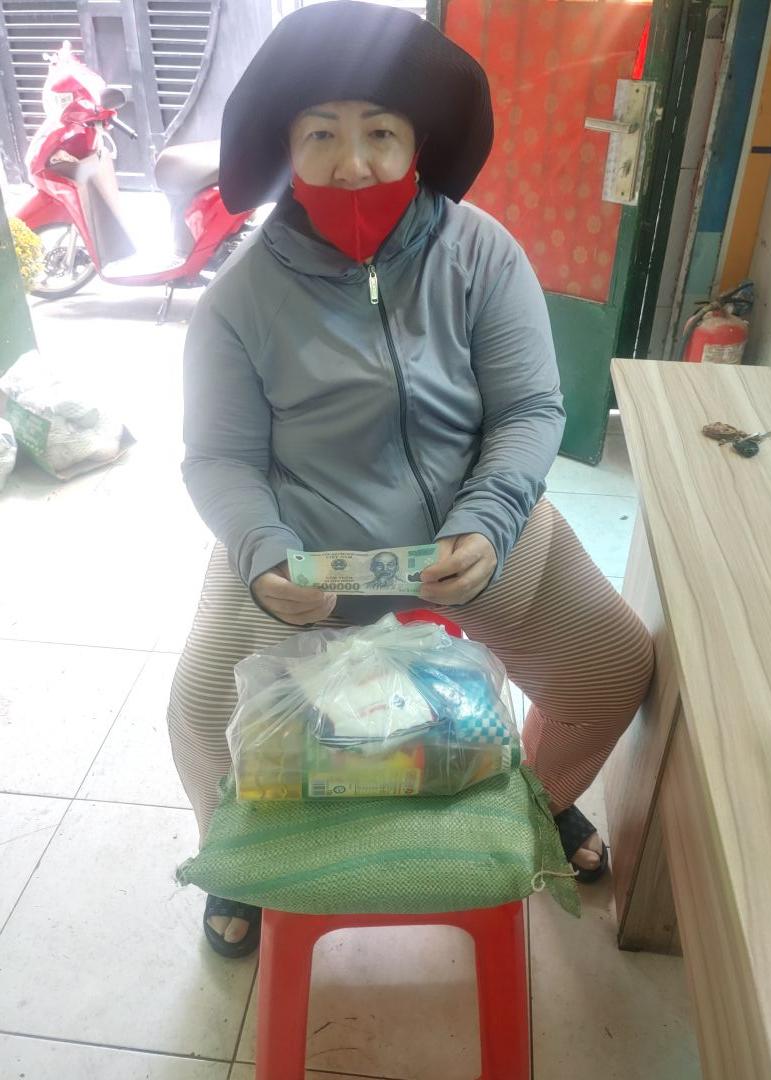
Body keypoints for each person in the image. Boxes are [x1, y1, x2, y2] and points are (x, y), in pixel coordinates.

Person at [168, 0, 654, 958]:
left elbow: (528, 410)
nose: (355, 164)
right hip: (302, 563)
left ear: (417, 142)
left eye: (380, 133)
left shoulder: (483, 253)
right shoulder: (239, 298)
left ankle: (539, 801)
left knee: (613, 673)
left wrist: (490, 521)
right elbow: (219, 457)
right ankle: (239, 862)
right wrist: (263, 553)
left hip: (480, 540)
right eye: (322, 134)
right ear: (286, 148)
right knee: (200, 718)